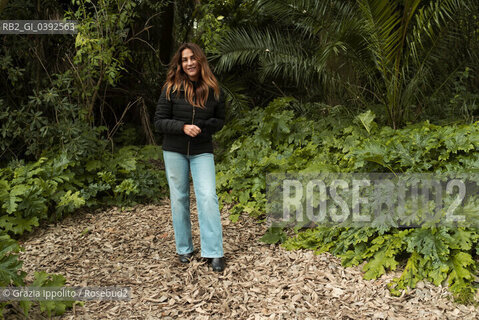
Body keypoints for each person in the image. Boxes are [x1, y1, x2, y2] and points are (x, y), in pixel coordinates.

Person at [154, 43, 226, 272]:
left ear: (200, 60)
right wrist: (183, 127)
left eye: (193, 58)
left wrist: (203, 126)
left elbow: (221, 121)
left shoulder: (213, 88)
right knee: (179, 199)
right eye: (185, 60)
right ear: (180, 64)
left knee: (207, 196)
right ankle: (184, 248)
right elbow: (159, 121)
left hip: (202, 150)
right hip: (174, 150)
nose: (189, 63)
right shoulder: (171, 88)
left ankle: (214, 252)